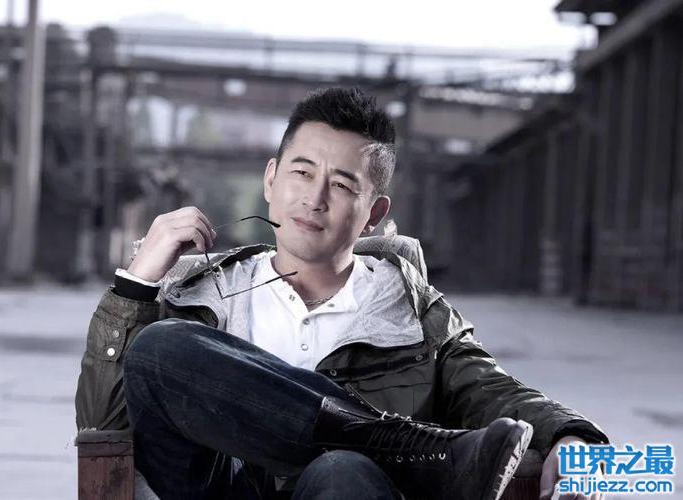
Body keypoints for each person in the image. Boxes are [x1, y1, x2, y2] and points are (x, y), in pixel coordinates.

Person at [75, 87, 609, 500]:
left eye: (342, 184)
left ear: (374, 213)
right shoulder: (202, 297)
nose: (314, 198)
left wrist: (574, 436)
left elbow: (493, 390)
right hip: (218, 490)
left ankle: (383, 453)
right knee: (161, 346)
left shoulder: (413, 313)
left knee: (342, 469)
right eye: (302, 172)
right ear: (270, 180)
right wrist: (136, 284)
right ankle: (408, 450)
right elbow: (102, 424)